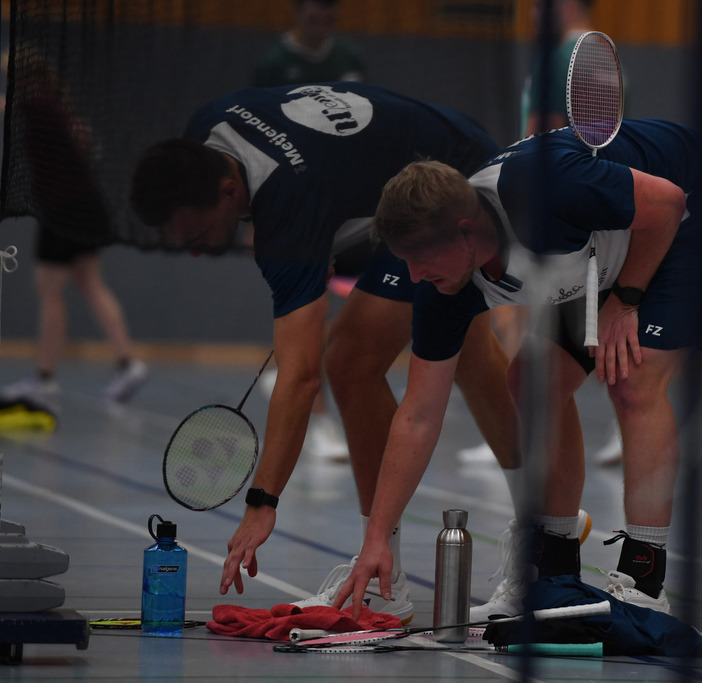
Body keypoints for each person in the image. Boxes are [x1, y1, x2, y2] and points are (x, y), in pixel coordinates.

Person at [129, 82, 524, 624]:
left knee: (349, 364)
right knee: (474, 361)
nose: (195, 248)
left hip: (450, 182)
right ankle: (543, 527)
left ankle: (389, 575)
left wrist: (261, 502)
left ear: (227, 190)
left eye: (198, 232)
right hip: (414, 161)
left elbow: (299, 377)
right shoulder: (208, 130)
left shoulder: (287, 203)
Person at [333, 119, 702, 621]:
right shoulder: (442, 287)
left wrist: (626, 300)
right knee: (532, 384)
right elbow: (419, 414)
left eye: (421, 258)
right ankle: (553, 573)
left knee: (632, 381)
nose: (414, 276)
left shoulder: (539, 190)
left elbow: (665, 203)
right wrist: (377, 539)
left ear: (467, 231)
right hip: (610, 242)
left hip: (696, 209)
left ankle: (644, 583)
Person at [459, 0, 624, 467]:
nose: (531, 11)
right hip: (584, 200)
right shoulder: (602, 55)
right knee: (577, 326)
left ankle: (519, 435)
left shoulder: (562, 57)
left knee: (528, 321)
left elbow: (545, 133)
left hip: (548, 203)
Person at [0, 59, 148, 422]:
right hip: (83, 205)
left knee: (49, 290)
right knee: (90, 283)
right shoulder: (55, 106)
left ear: (29, 76)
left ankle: (45, 380)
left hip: (63, 209)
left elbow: (8, 105)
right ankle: (127, 362)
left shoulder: (38, 104)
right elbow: (85, 141)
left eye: (13, 75)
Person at [251, 0, 366, 462]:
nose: (319, 22)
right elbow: (257, 140)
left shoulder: (350, 61)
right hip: (293, 206)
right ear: (297, 14)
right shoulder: (273, 66)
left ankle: (283, 373)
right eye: (311, 13)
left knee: (351, 310)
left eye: (327, 13)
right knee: (309, 309)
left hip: (347, 207)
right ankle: (320, 424)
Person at [253, 0, 365, 88]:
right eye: (314, 21)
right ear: (297, 12)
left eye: (328, 21)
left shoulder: (349, 57)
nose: (321, 30)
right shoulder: (273, 64)